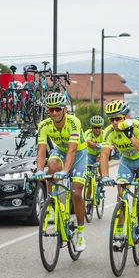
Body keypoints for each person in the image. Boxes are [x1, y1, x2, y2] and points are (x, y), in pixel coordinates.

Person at [32, 92, 88, 251]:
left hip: (79, 153)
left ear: (64, 109)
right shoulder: (44, 125)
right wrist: (39, 170)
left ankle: (81, 233)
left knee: (77, 193)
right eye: (51, 110)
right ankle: (52, 203)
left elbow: (72, 150)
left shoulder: (74, 122)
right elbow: (42, 151)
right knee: (52, 166)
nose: (54, 113)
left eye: (57, 109)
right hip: (60, 151)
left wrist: (66, 171)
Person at [100, 100, 139, 237]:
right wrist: (105, 175)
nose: (114, 122)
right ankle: (119, 231)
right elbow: (104, 155)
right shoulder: (109, 131)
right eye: (111, 119)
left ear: (126, 117)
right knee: (121, 192)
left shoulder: (137, 126)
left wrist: (131, 137)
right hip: (127, 162)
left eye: (117, 118)